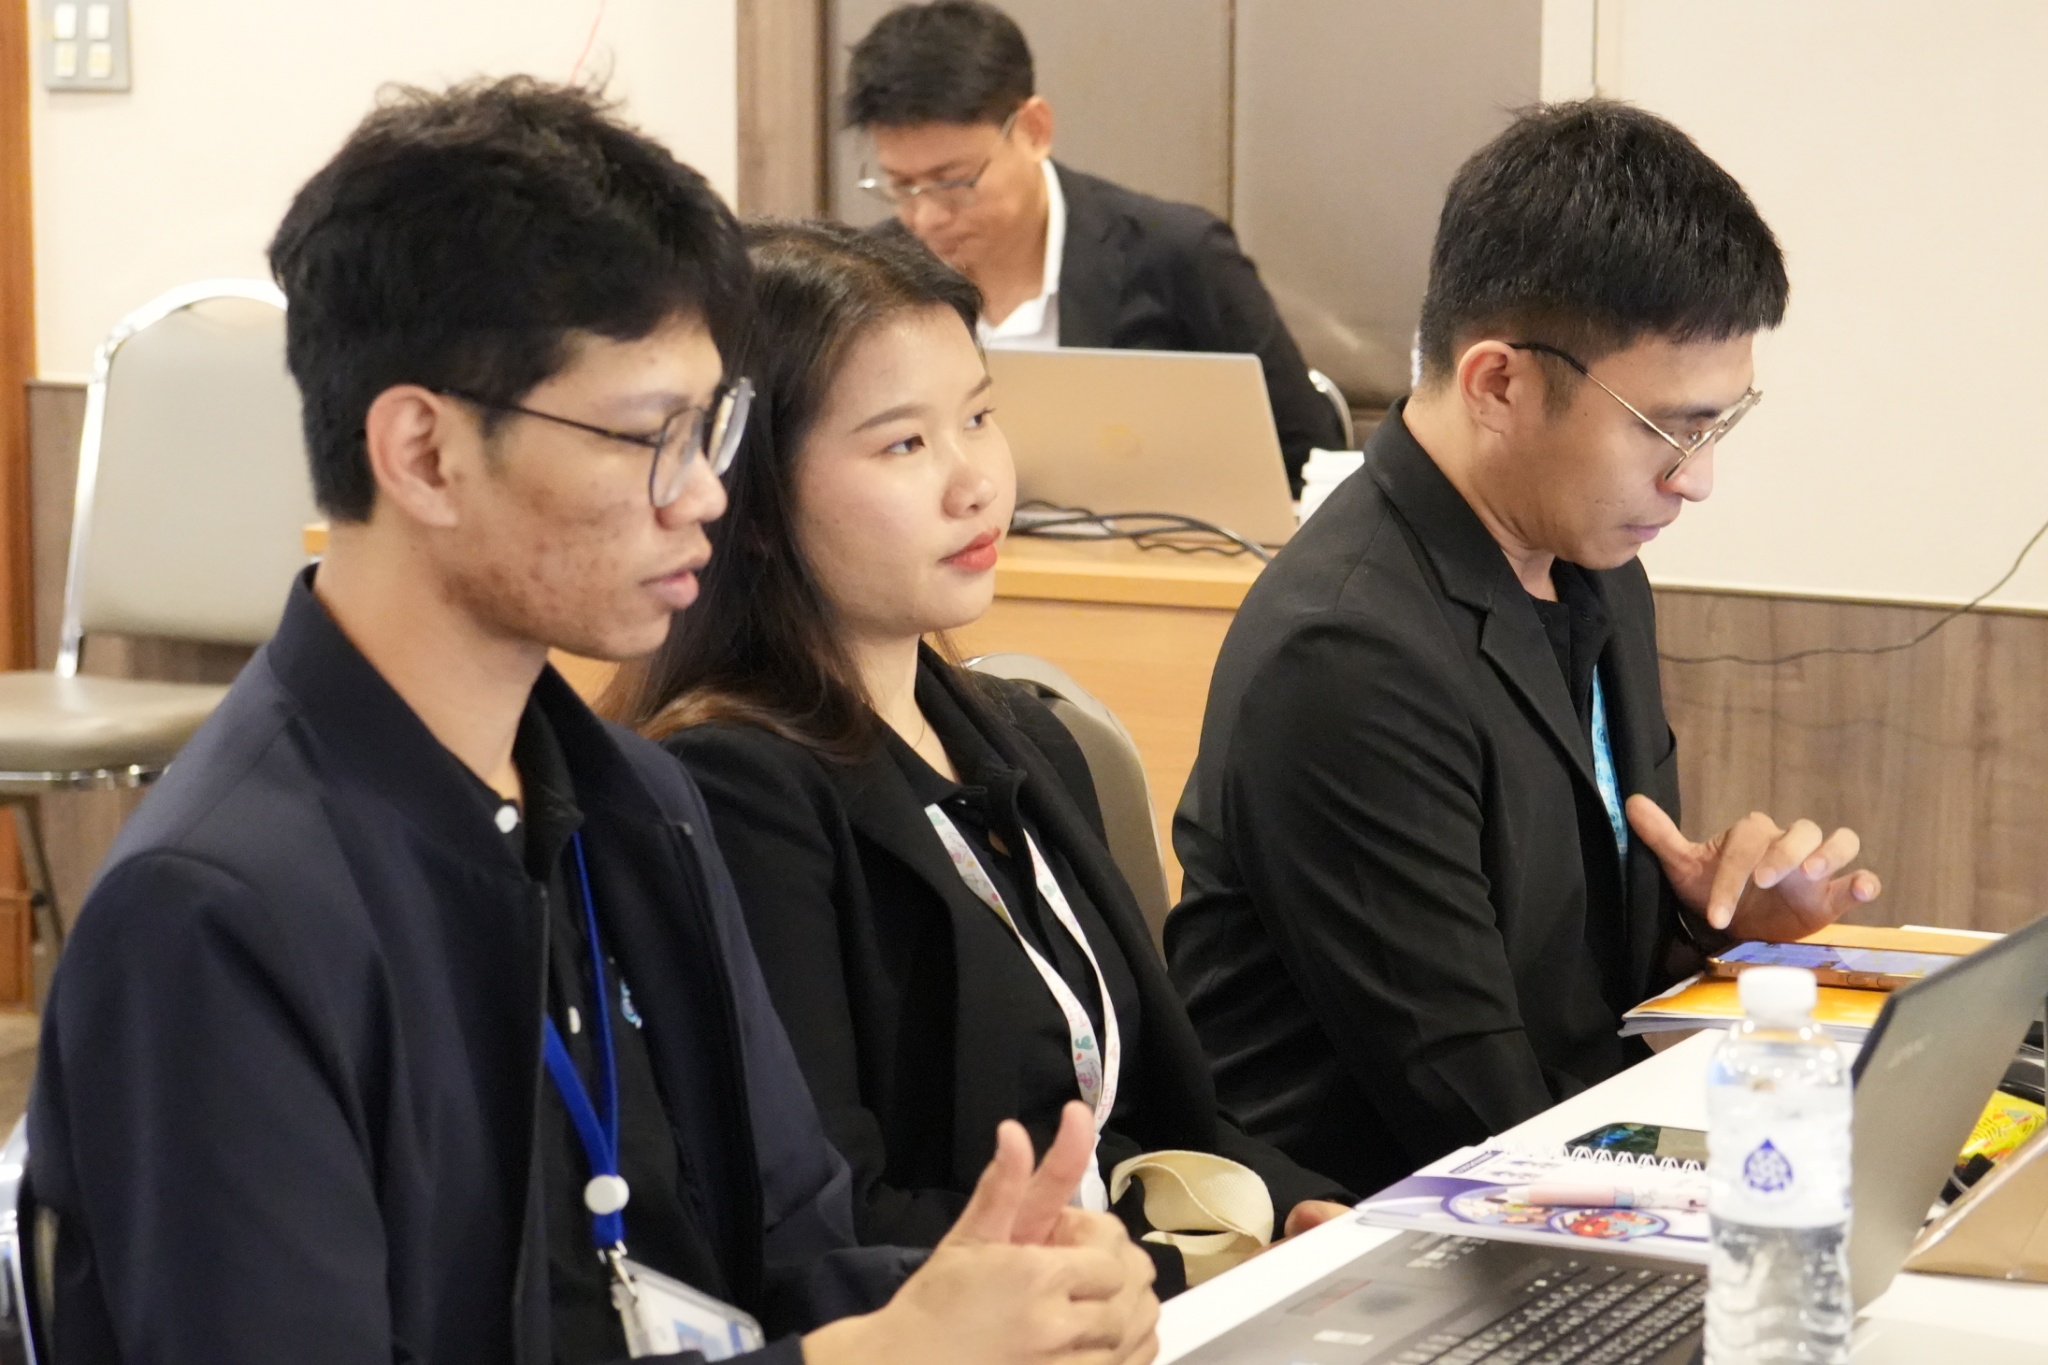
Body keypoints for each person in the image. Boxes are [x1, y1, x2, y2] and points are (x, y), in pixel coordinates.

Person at [27, 78, 1159, 1365]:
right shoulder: (216, 911)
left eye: (713, 428)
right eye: (646, 436)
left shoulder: (636, 805)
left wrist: (1004, 1296)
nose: (704, 496)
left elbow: (785, 1253)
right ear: (425, 454)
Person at [605, 220, 1353, 1297]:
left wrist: (1295, 1207)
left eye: (979, 417)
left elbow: (1145, 1108)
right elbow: (826, 1220)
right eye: (903, 445)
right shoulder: (736, 788)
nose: (974, 483)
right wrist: (1164, 1272)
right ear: (754, 502)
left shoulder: (1012, 730)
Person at [1166, 101, 1885, 1196]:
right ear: (1498, 384)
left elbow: (1580, 984)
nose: (1694, 479)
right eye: (1668, 430)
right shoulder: (1347, 653)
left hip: (1557, 1157)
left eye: (1717, 426)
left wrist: (1724, 933)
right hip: (1383, 1222)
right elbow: (1475, 1106)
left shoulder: (1594, 564)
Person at [842, 0, 1343, 494]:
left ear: (1034, 130)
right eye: (901, 185)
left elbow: (1311, 459)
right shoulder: (874, 277)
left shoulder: (1178, 254)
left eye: (953, 181)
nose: (926, 216)